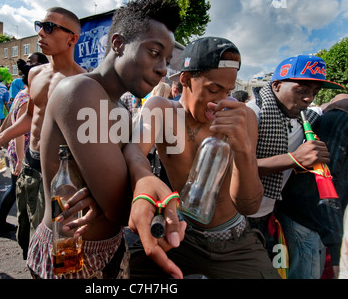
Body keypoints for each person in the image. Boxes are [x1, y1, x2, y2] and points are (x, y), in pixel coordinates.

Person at [26, 0, 181, 279]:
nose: (162, 69)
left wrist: (122, 191)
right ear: (118, 44)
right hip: (70, 258)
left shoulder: (118, 106)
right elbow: (123, 210)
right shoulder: (80, 91)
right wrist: (116, 199)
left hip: (108, 250)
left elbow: (124, 188)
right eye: (154, 53)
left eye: (167, 61)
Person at [124, 36, 278, 279]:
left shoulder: (242, 117)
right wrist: (143, 180)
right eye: (213, 89)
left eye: (228, 91)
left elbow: (249, 205)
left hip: (233, 241)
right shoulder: (162, 110)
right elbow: (134, 152)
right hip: (179, 233)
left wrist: (242, 149)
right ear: (185, 79)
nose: (221, 101)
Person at [0, 7, 85, 260]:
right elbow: (29, 117)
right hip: (29, 166)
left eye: (49, 27)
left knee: (54, 247)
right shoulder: (35, 73)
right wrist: (1, 138)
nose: (40, 32)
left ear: (72, 38)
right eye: (40, 25)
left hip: (58, 177)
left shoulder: (83, 82)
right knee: (26, 237)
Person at [246, 55, 344, 265]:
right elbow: (236, 169)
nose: (308, 99)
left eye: (314, 93)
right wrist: (294, 159)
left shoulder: (306, 118)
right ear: (277, 85)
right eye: (301, 90)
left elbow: (335, 104)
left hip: (269, 213)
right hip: (237, 213)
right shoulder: (253, 113)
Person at [274, 93, 348, 279]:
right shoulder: (340, 119)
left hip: (314, 219)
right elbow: (326, 185)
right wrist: (336, 245)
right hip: (308, 220)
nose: (308, 97)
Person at [0, 54, 48, 234]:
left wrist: (0, 138)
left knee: (15, 189)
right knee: (17, 191)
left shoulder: (20, 95)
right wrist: (19, 159)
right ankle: (3, 224)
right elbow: (21, 132)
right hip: (23, 151)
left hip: (18, 151)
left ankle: (1, 223)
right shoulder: (28, 99)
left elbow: (9, 120)